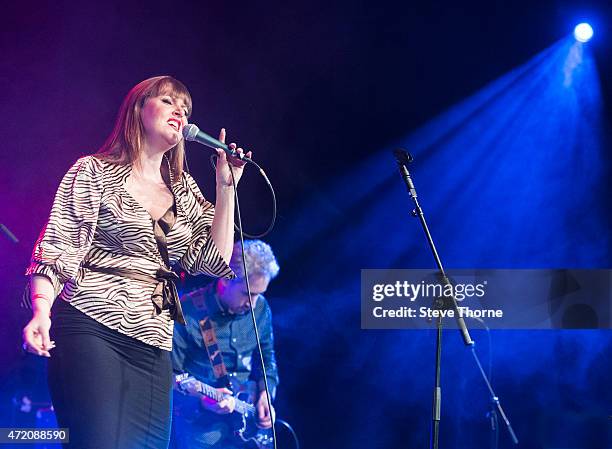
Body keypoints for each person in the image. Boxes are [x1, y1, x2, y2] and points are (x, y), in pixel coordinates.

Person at [21, 75, 250, 449]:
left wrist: (227, 186)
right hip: (91, 322)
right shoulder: (94, 170)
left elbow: (213, 260)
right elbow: (60, 244)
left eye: (186, 108)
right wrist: (42, 310)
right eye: (168, 101)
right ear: (138, 109)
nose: (180, 111)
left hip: (154, 338)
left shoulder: (185, 190)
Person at [171, 239, 280, 449]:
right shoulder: (187, 311)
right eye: (248, 294)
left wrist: (266, 393)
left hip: (247, 429)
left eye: (259, 295)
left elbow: (267, 357)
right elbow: (168, 378)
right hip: (199, 429)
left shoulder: (260, 309)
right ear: (226, 278)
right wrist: (202, 402)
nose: (253, 303)